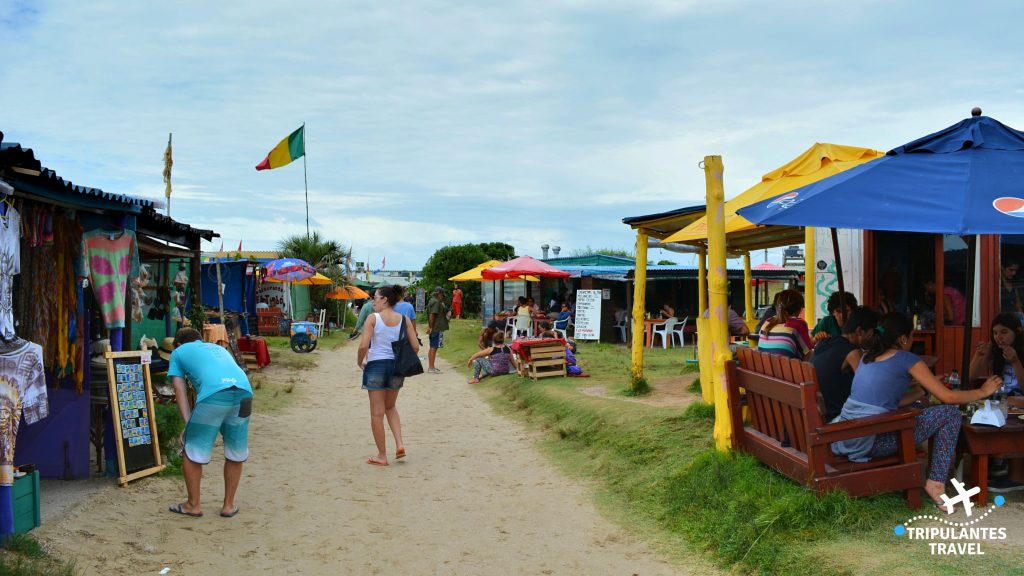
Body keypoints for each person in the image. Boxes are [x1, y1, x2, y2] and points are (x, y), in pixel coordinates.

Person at [831, 312, 1002, 508]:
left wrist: (923, 389)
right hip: (872, 442)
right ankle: (936, 482)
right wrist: (983, 391)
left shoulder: (867, 358)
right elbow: (949, 398)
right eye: (911, 337)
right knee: (950, 413)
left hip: (847, 436)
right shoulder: (906, 358)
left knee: (921, 404)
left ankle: (935, 471)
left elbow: (888, 401)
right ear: (903, 339)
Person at [167, 327, 254, 518]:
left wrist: (188, 423)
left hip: (215, 395)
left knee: (192, 450)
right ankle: (228, 506)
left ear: (179, 344)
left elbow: (179, 390)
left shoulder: (178, 352)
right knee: (235, 450)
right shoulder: (219, 349)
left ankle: (193, 504)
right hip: (245, 393)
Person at [357, 285, 419, 466]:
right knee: (390, 407)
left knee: (377, 414)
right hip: (396, 367)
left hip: (376, 365)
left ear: (384, 299)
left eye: (375, 297)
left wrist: (359, 361)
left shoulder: (373, 318)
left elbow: (363, 346)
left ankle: (382, 455)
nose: (373, 301)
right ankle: (400, 444)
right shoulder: (404, 319)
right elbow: (415, 347)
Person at [968, 312, 1024, 492]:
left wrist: (1015, 361)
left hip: (1019, 399)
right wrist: (979, 355)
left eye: (1004, 332)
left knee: (1008, 404)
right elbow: (971, 375)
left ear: (1018, 331)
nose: (999, 337)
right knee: (981, 406)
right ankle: (995, 462)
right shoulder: (996, 350)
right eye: (995, 333)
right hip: (1004, 398)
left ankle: (1016, 475)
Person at [811, 306, 879, 422]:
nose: (873, 338)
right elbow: (868, 390)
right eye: (871, 334)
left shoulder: (824, 343)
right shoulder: (852, 352)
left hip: (817, 417)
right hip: (835, 421)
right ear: (859, 331)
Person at [757, 289, 812, 360]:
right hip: (789, 370)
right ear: (799, 309)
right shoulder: (798, 324)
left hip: (764, 369)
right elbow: (807, 354)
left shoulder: (767, 322)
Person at [426, 286, 450, 374]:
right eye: (442, 295)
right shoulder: (436, 302)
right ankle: (431, 368)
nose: (442, 297)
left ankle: (431, 366)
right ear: (439, 294)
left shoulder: (432, 300)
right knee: (434, 347)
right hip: (437, 327)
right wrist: (431, 327)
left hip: (434, 327)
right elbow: (433, 314)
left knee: (432, 346)